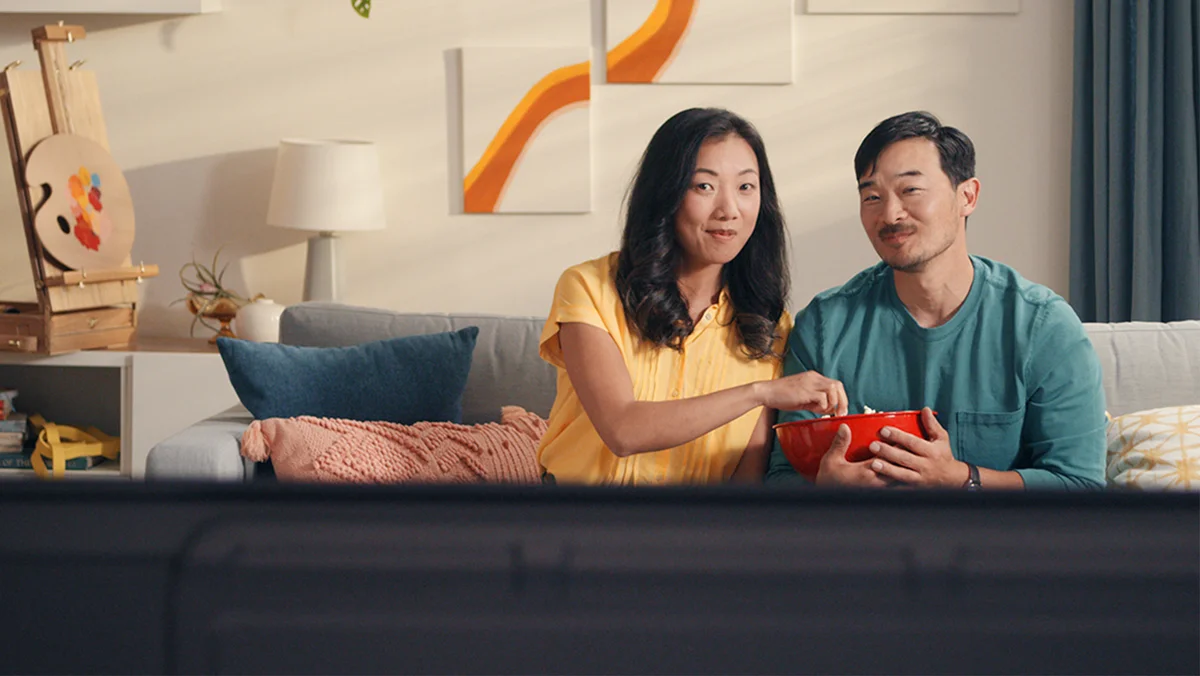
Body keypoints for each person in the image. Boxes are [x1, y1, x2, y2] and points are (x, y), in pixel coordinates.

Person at [767, 111, 1107, 490]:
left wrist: (964, 479)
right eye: (872, 197)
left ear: (968, 196)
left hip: (994, 546)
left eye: (910, 190)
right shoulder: (824, 327)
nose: (890, 214)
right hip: (863, 544)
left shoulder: (1043, 327)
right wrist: (826, 489)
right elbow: (780, 478)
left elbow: (1081, 485)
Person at [536, 108, 848, 485]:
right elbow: (623, 430)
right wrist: (761, 392)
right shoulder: (588, 288)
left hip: (695, 533)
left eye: (746, 187)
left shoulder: (767, 323)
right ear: (665, 194)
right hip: (581, 526)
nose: (729, 210)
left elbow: (745, 479)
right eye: (704, 186)